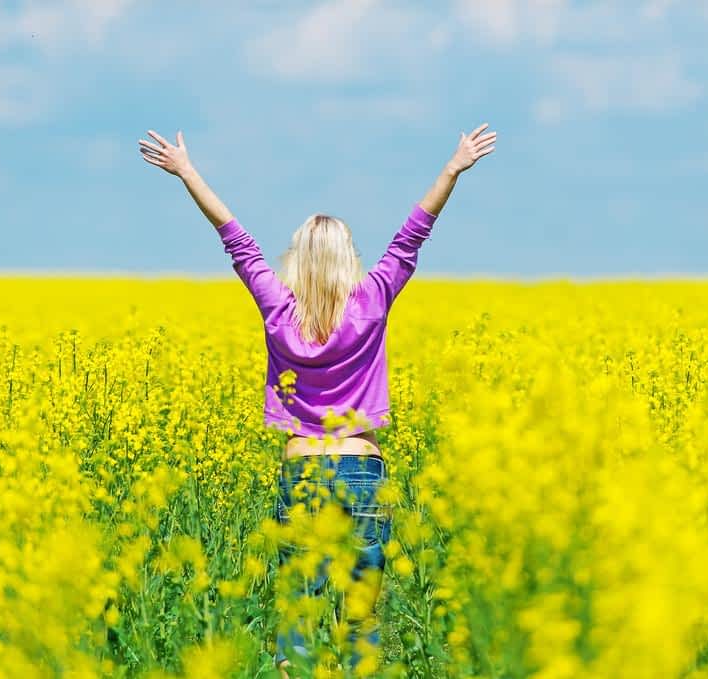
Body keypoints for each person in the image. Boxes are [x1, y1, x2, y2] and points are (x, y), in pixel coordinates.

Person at [139, 123, 497, 677]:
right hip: (362, 467)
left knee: (297, 620)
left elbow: (234, 237)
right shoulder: (372, 300)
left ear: (297, 260)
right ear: (349, 259)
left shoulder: (277, 308)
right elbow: (413, 234)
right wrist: (453, 168)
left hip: (301, 468)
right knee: (358, 621)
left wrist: (187, 171)